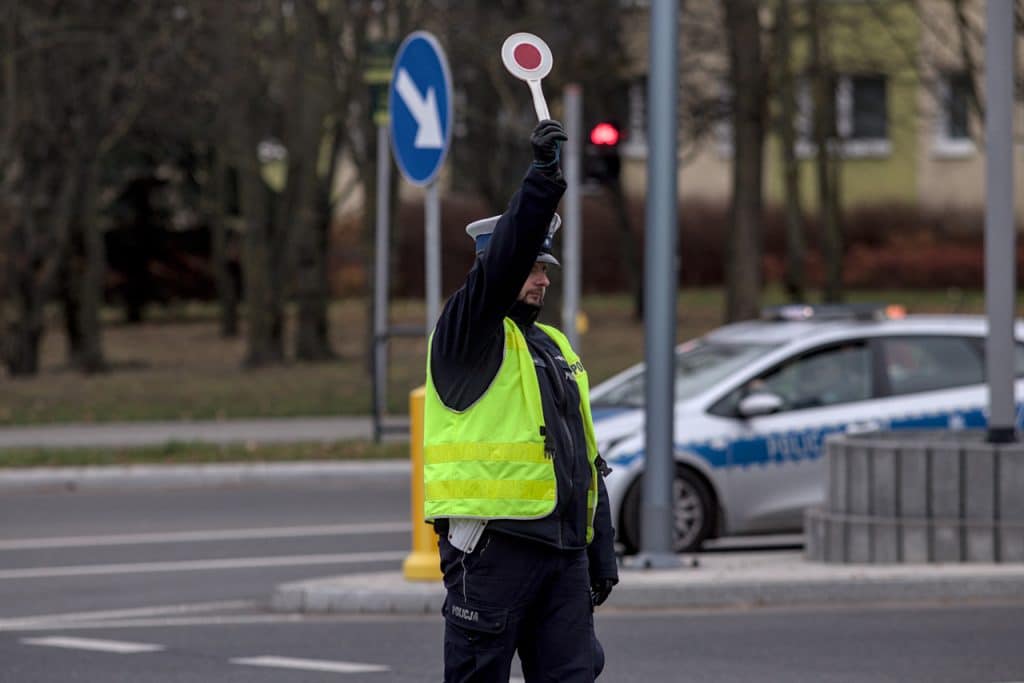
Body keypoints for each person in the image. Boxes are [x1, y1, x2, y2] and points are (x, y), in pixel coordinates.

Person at [423, 119, 619, 682]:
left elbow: (582, 455)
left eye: (546, 267)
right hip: (493, 552)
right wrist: (541, 181)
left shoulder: (551, 344)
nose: (542, 279)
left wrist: (598, 550)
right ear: (498, 266)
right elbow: (504, 261)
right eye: (532, 266)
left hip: (560, 558)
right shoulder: (467, 336)